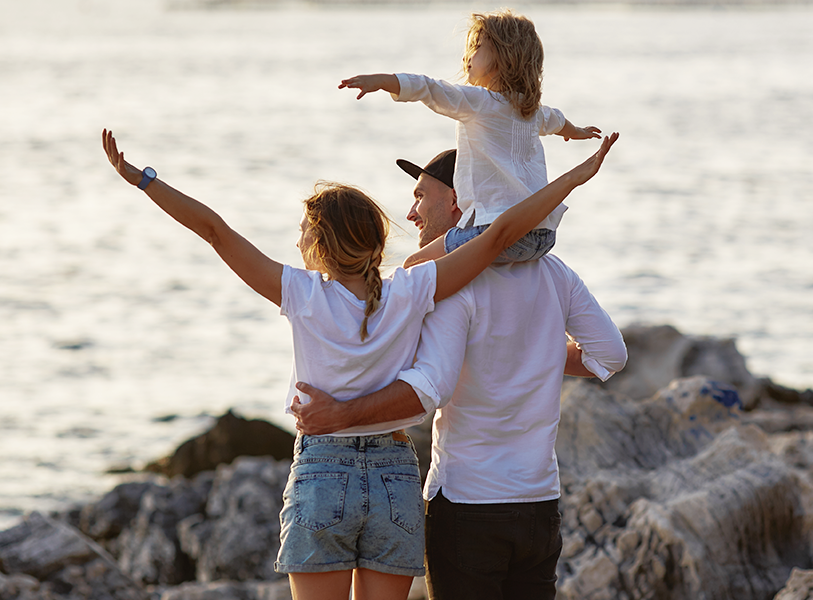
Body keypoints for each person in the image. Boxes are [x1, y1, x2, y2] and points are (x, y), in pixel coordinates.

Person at [101, 128, 618, 600]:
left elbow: (214, 230)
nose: (297, 239)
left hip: (325, 468)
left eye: (304, 229)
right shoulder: (413, 290)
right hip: (397, 473)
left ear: (321, 244)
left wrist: (143, 180)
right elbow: (502, 235)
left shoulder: (300, 293)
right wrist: (577, 177)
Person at [290, 142, 629, 600]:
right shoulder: (556, 274)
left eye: (421, 195)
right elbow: (609, 355)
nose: (412, 213)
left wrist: (337, 416)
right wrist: (543, 349)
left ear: (455, 202)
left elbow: (431, 387)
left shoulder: (449, 285)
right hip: (539, 503)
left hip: (469, 503)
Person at [339, 8, 601, 267]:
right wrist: (577, 133)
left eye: (477, 48)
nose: (468, 57)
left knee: (414, 263)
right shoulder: (530, 111)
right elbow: (558, 121)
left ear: (504, 58)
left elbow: (430, 88)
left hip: (497, 232)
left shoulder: (480, 101)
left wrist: (384, 81)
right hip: (543, 236)